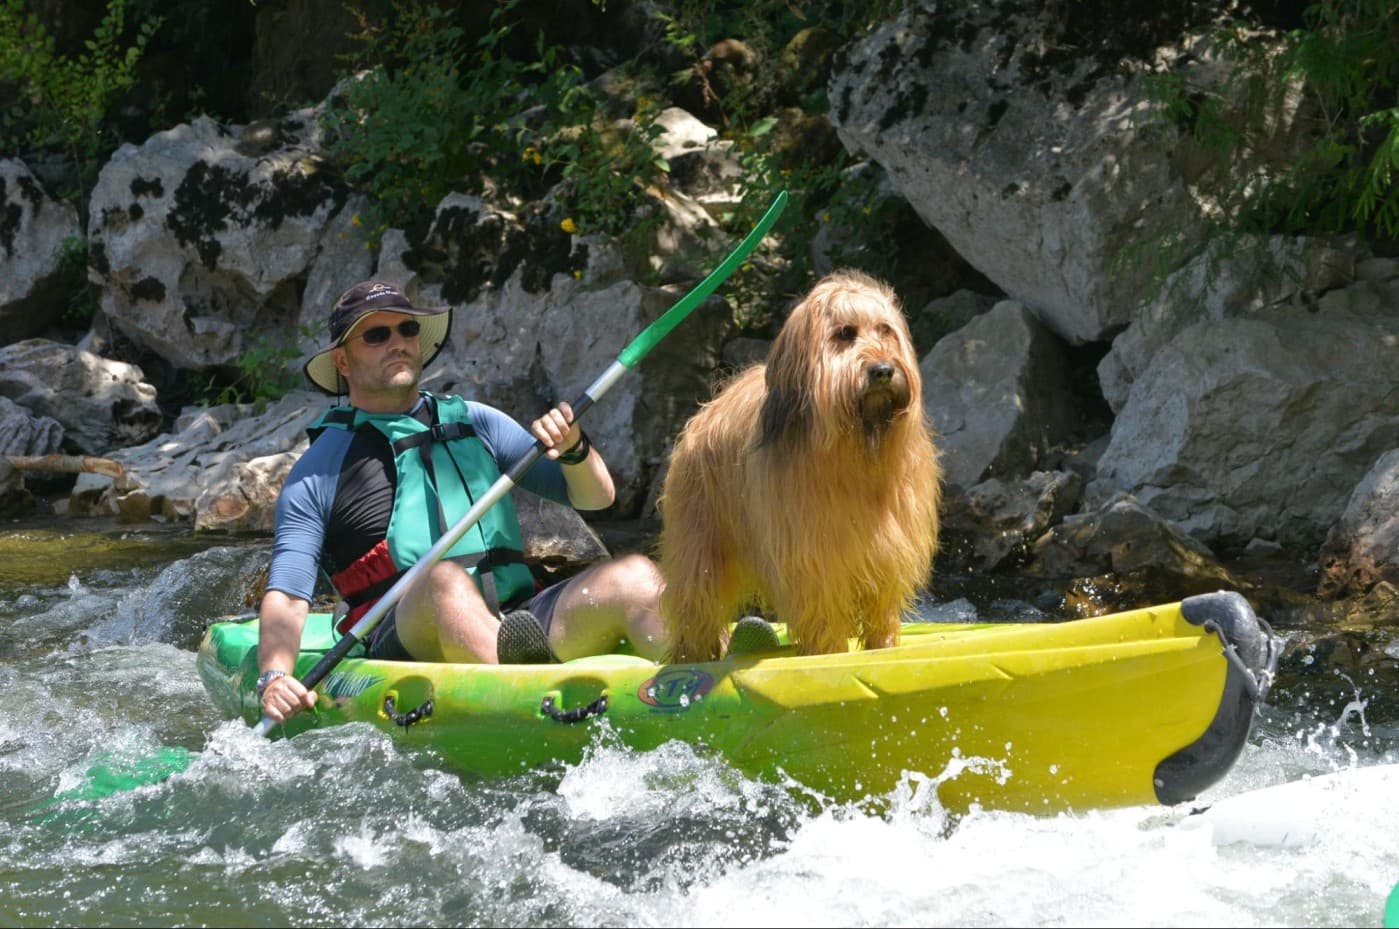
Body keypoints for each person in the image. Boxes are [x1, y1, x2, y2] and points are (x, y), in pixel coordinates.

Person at [256, 279, 668, 724]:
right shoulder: (320, 470)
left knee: (635, 574)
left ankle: (712, 673)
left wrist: (572, 448)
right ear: (343, 361)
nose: (397, 343)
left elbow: (595, 498)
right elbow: (289, 594)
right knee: (443, 582)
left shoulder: (476, 422)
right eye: (376, 335)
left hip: (516, 622)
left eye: (407, 330)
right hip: (406, 640)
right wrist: (274, 677)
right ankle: (524, 707)